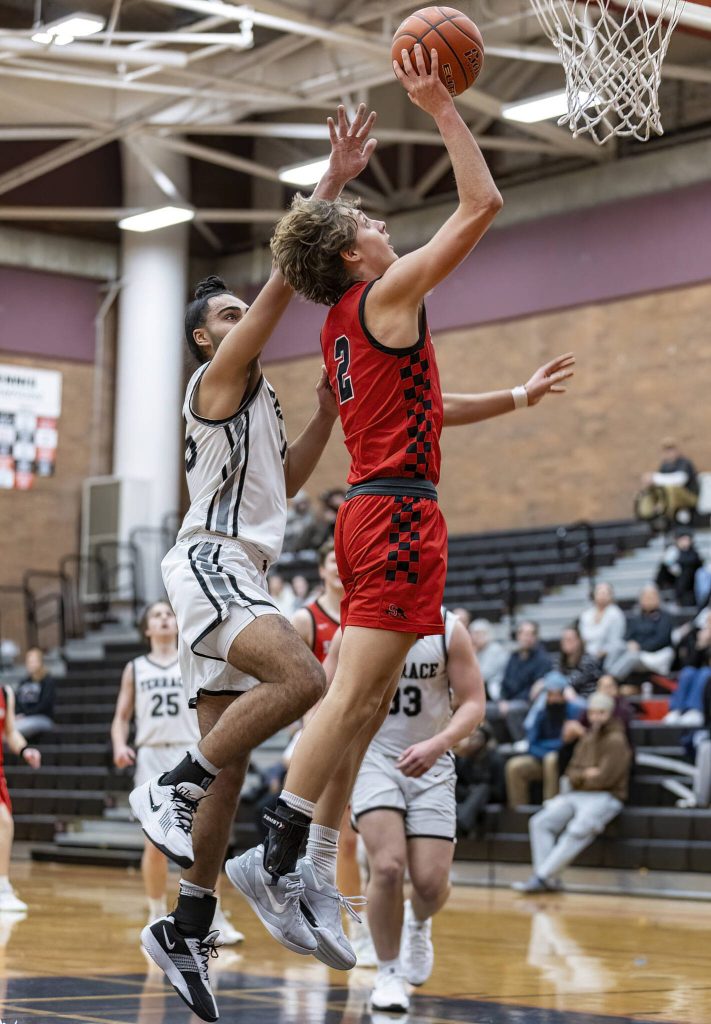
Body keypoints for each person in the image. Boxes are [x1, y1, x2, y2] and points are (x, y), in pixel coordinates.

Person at [226, 44, 574, 965]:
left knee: (369, 695)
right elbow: (482, 205)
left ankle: (288, 853)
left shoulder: (349, 325)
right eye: (371, 221)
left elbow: (423, 405)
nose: (385, 228)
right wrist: (439, 107)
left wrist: (515, 399)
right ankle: (278, 853)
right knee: (349, 699)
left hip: (390, 508)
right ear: (354, 254)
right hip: (391, 515)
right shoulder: (384, 293)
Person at [128, 103, 379, 1023]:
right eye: (226, 315)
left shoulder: (261, 405)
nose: (244, 319)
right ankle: (172, 783)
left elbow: (288, 482)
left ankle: (187, 920)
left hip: (241, 564)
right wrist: (328, 189)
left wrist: (319, 417)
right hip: (209, 561)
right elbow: (280, 286)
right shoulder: (216, 380)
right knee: (306, 674)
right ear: (205, 337)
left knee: (232, 767)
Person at [336, 609, 484, 1012]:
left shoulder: (449, 630)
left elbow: (473, 702)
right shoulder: (358, 622)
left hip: (432, 760)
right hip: (373, 759)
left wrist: (442, 742)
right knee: (386, 866)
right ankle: (388, 972)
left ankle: (417, 921)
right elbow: (327, 700)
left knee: (431, 884)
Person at [111, 601, 242, 944]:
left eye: (169, 613)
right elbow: (122, 717)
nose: (165, 618)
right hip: (152, 755)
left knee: (204, 839)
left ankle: (213, 915)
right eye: (156, 615)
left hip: (189, 750)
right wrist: (119, 745)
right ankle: (156, 912)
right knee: (154, 844)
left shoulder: (190, 656)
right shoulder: (135, 668)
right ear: (147, 629)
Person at [290, 542, 375, 966]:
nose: (338, 570)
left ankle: (358, 918)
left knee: (362, 837)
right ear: (325, 569)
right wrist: (311, 731)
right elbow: (301, 682)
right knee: (343, 837)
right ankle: (344, 923)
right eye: (331, 562)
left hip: (365, 729)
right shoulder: (308, 619)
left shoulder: (368, 610)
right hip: (323, 729)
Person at [513, 692, 632, 893]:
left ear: (610, 714)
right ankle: (548, 879)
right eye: (593, 712)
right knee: (540, 822)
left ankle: (542, 877)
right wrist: (586, 774)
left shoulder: (617, 740)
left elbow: (605, 779)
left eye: (601, 713)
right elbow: (571, 772)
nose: (596, 717)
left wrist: (583, 776)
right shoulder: (588, 737)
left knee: (578, 829)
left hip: (607, 796)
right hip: (578, 794)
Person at [505, 672, 581, 808]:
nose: (554, 698)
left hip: (567, 762)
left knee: (551, 760)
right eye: (550, 694)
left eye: (557, 693)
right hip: (541, 757)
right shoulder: (541, 713)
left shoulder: (575, 711)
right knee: (514, 766)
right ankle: (519, 811)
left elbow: (572, 744)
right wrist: (550, 748)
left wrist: (553, 748)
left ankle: (550, 807)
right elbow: (531, 744)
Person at [0, 684, 41, 911]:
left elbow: (10, 732)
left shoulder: (5, 692)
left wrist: (25, 750)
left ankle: (3, 888)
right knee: (3, 822)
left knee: (4, 823)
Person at [487, 621, 552, 742]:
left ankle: (522, 742)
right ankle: (499, 742)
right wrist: (502, 700)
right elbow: (505, 682)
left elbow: (534, 690)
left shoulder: (543, 659)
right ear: (518, 636)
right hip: (509, 701)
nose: (526, 637)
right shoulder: (513, 657)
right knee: (485, 709)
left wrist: (509, 703)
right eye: (523, 633)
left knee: (512, 710)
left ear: (536, 637)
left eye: (530, 634)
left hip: (528, 702)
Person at [604, 584, 674, 682]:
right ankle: (605, 673)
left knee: (632, 656)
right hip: (636, 651)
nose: (648, 600)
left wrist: (640, 646)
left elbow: (661, 640)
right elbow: (627, 637)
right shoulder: (636, 618)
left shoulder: (665, 617)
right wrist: (630, 644)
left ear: (658, 599)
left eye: (651, 597)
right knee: (617, 646)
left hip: (656, 655)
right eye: (645, 597)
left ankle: (612, 679)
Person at [454, 723, 505, 837]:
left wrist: (477, 789)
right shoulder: (465, 759)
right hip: (468, 795)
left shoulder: (496, 759)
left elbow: (499, 792)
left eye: (477, 738)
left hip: (487, 796)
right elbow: (459, 782)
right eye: (471, 737)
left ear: (485, 741)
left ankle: (462, 823)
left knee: (483, 788)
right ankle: (457, 819)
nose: (472, 741)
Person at [637, 439, 699, 525]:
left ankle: (668, 515)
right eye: (666, 450)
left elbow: (680, 479)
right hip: (669, 500)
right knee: (650, 490)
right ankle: (650, 513)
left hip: (690, 498)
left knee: (671, 488)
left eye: (671, 449)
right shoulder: (665, 465)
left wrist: (654, 477)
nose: (669, 452)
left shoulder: (684, 462)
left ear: (677, 450)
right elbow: (659, 484)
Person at [13, 647, 56, 739]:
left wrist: (26, 715)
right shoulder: (24, 682)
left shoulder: (47, 681)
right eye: (28, 661)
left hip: (43, 718)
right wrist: (18, 715)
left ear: (40, 662)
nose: (30, 664)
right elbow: (17, 702)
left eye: (33, 661)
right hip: (23, 718)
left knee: (13, 729)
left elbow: (45, 704)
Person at [578, 582, 626, 663]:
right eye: (599, 592)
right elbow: (583, 638)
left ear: (611, 596)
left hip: (608, 656)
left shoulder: (616, 614)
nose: (602, 596)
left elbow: (616, 641)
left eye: (605, 593)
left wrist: (603, 652)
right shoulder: (586, 614)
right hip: (587, 654)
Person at [655, 529, 703, 608]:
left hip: (689, 591)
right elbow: (662, 574)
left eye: (686, 539)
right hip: (672, 587)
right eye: (682, 539)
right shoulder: (672, 553)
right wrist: (668, 562)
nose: (684, 542)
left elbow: (693, 566)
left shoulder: (694, 554)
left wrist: (681, 555)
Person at [469, 619, 508, 701]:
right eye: (472, 634)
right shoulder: (474, 650)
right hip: (479, 687)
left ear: (487, 634)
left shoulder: (496, 649)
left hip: (495, 687)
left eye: (478, 634)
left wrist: (472, 655)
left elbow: (484, 675)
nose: (475, 637)